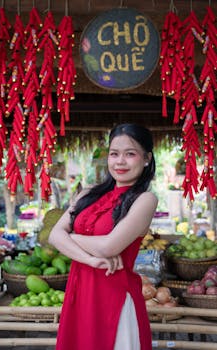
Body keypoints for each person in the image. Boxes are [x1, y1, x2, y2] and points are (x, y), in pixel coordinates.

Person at [48, 123, 158, 350]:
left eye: (130, 154)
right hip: (80, 292)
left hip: (114, 295)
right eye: (114, 154)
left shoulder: (145, 199)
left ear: (146, 158)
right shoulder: (88, 193)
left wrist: (72, 236)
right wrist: (90, 259)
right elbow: (53, 235)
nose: (120, 161)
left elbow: (109, 246)